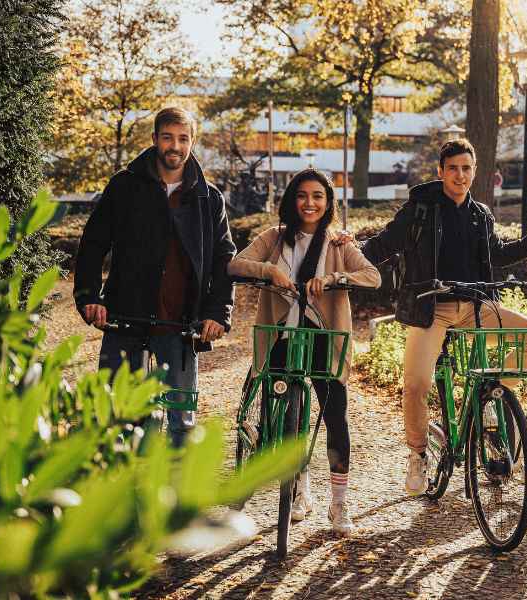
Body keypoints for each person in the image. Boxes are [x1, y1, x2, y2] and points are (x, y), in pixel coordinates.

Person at [361, 138, 527, 496]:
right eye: (453, 168)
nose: (460, 175)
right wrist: (348, 257)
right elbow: (384, 244)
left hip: (476, 307)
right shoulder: (421, 208)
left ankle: (493, 390)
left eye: (466, 168)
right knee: (416, 383)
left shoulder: (480, 214)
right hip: (431, 308)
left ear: (475, 172)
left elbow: (498, 254)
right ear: (441, 171)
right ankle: (418, 453)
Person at [228, 168, 380, 536]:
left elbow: (372, 276)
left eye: (318, 196)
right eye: (302, 195)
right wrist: (269, 271)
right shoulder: (274, 238)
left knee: (335, 419)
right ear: (291, 200)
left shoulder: (339, 244)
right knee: (285, 420)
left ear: (328, 203)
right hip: (279, 337)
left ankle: (339, 504)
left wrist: (331, 279)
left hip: (323, 341)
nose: (309, 203)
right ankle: (300, 488)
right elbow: (233, 264)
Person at [74, 107, 235, 448]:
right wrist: (89, 298)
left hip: (181, 324)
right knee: (116, 417)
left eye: (183, 138)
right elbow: (92, 244)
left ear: (192, 142)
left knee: (182, 425)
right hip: (124, 317)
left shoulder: (210, 198)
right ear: (154, 140)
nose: (174, 146)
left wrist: (218, 313)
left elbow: (224, 259)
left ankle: (174, 499)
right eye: (167, 137)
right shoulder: (124, 186)